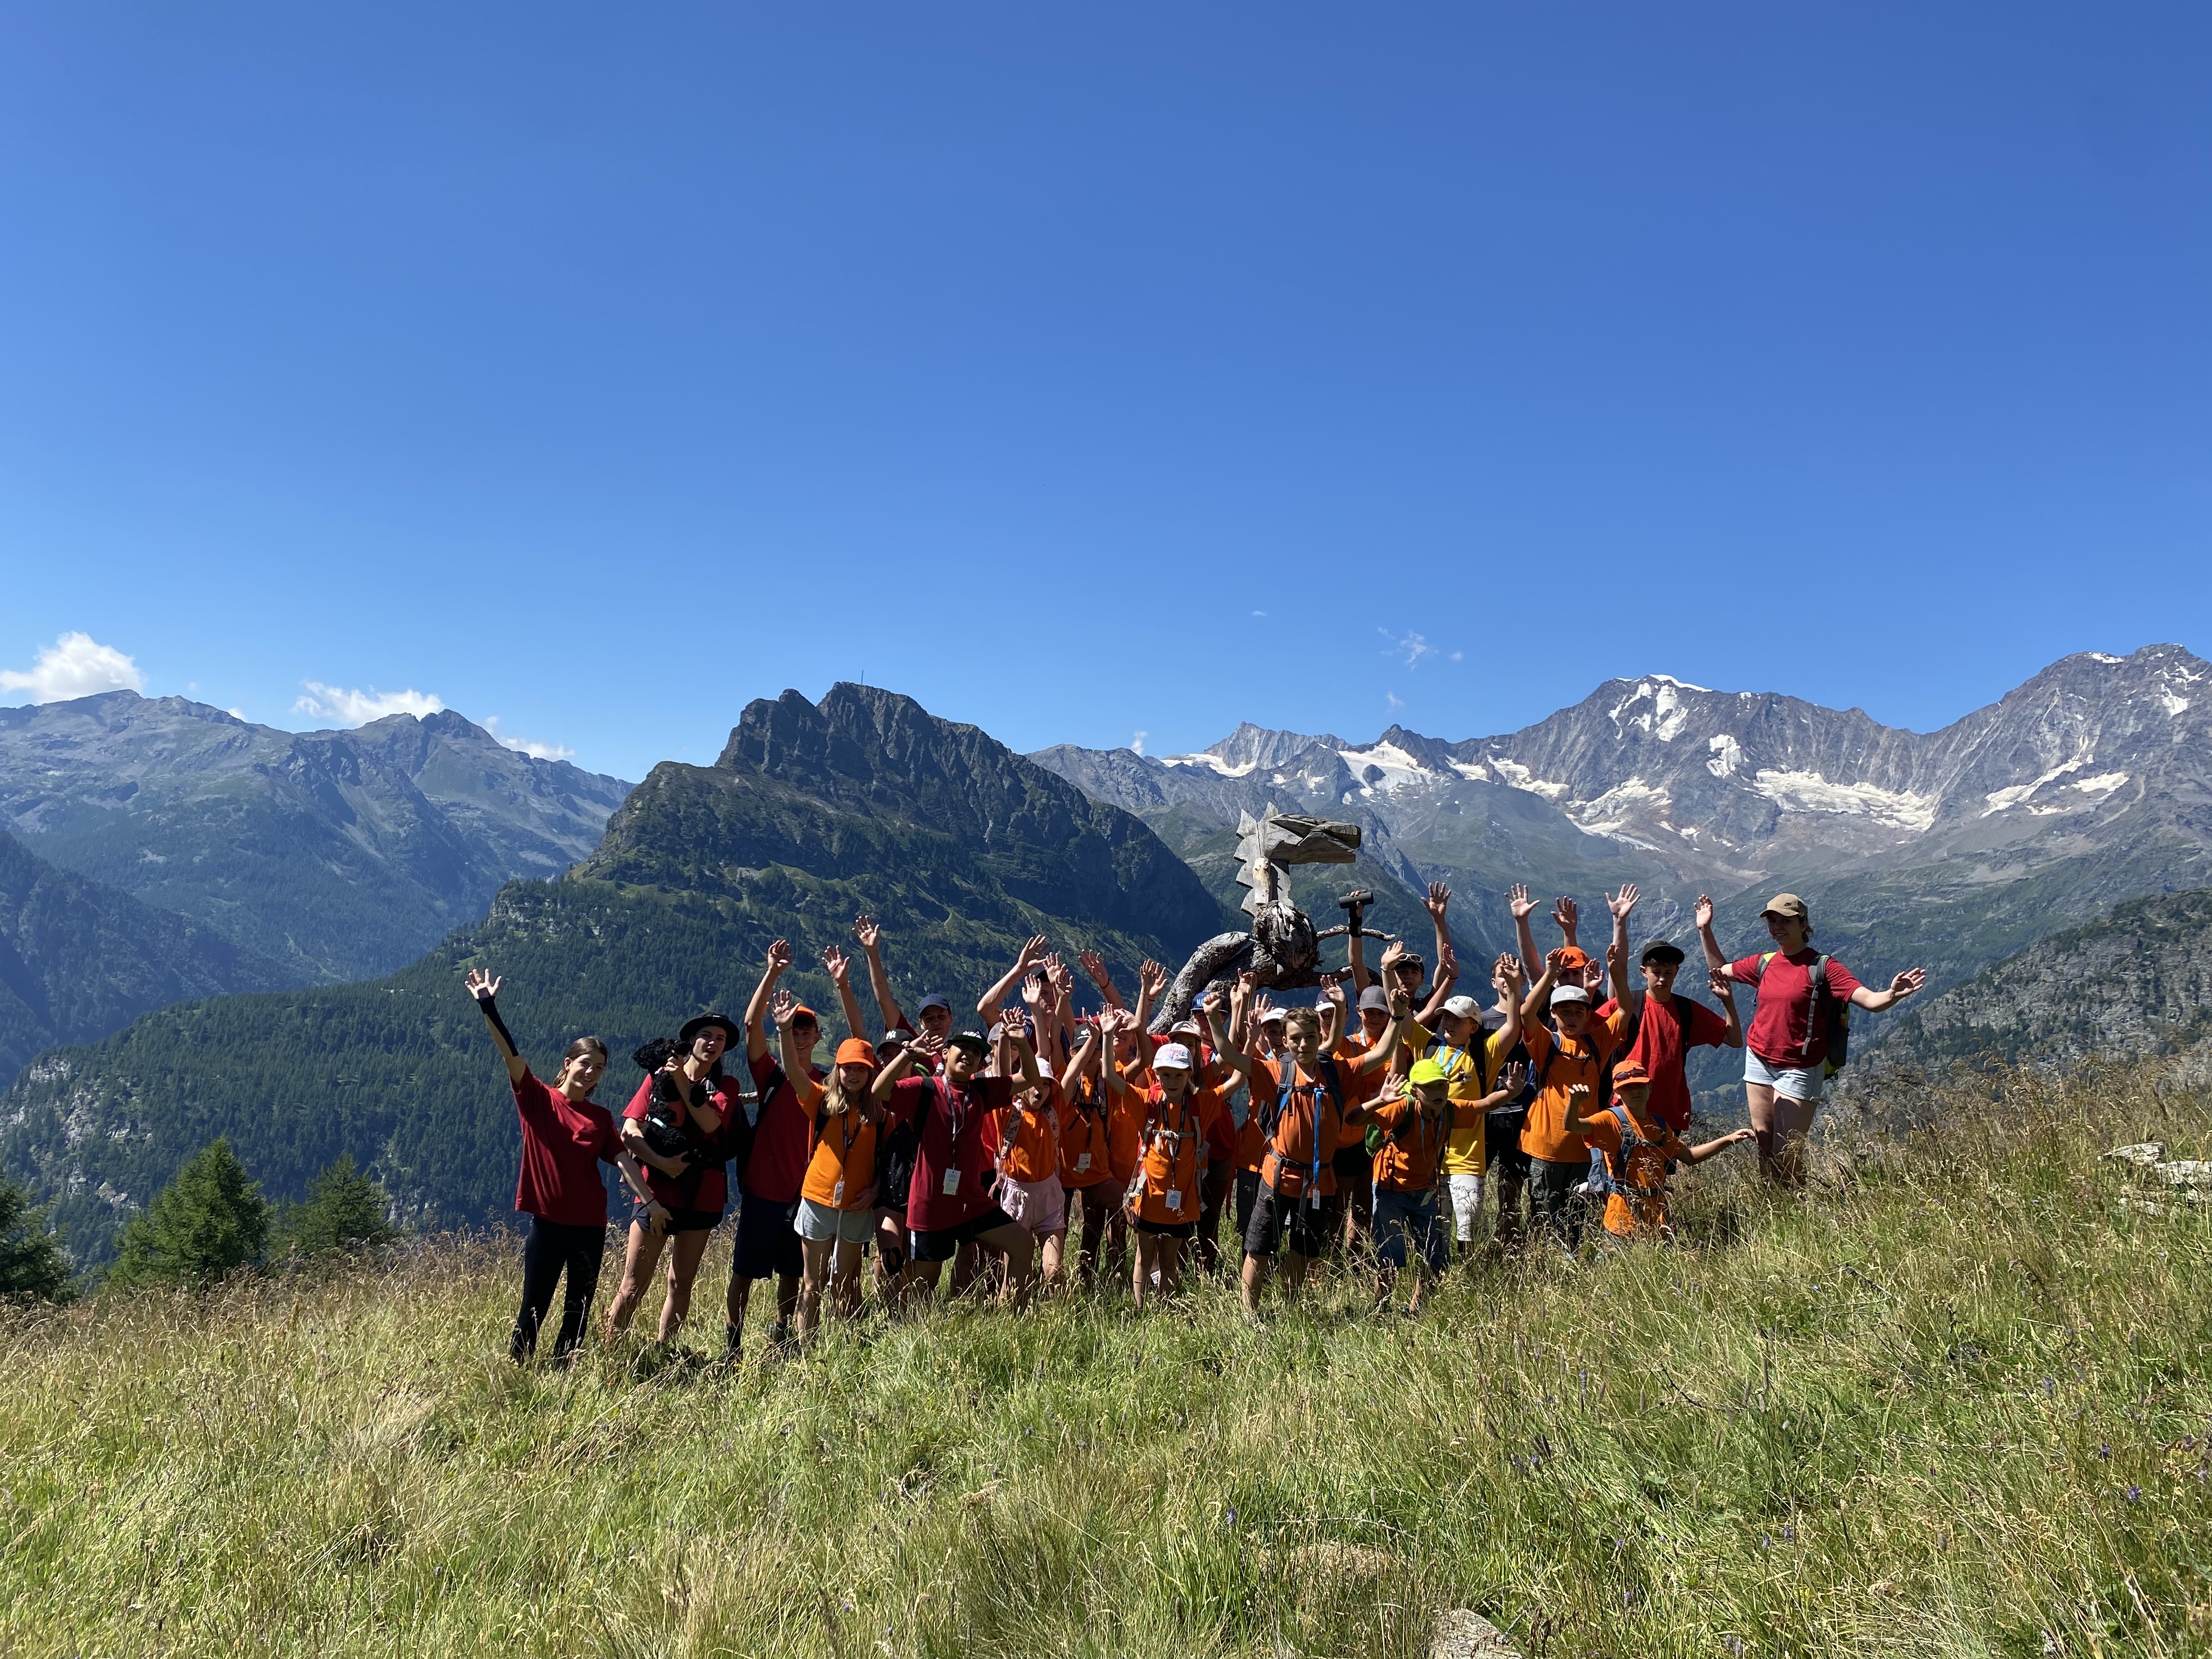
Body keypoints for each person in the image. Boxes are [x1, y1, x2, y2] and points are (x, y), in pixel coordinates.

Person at [464, 969, 662, 1362]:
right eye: (585, 1063)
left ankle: (560, 1382)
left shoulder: (601, 1117)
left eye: (599, 1068)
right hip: (548, 1225)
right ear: (569, 1063)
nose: (591, 1072)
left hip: (590, 1225)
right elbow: (510, 1052)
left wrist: (650, 1201)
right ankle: (518, 1375)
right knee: (532, 1310)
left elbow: (623, 1161)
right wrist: (488, 1005)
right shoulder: (537, 1099)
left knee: (579, 1311)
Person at [1718, 893, 1925, 1184]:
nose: (1777, 927)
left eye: (1786, 921)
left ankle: (1800, 1209)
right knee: (1764, 1146)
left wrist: (1892, 995)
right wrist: (1705, 930)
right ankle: (1773, 1205)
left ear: (1803, 924)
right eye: (1772, 921)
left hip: (1800, 1067)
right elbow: (1719, 972)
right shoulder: (1764, 963)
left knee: (1787, 1153)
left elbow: (1868, 1000)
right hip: (1759, 1060)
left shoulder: (1823, 968)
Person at [730, 939, 868, 1361]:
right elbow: (751, 1028)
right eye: (797, 1027)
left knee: (794, 1272)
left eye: (808, 1028)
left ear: (819, 1035)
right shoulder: (772, 1073)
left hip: (805, 1193)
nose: (803, 1033)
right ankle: (732, 1343)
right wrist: (772, 971)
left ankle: (784, 1334)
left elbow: (861, 1045)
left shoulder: (831, 1084)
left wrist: (844, 987)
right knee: (744, 1273)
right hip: (764, 1188)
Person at [1242, 988, 1409, 1313]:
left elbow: (1383, 1050)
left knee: (1304, 1250)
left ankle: (1289, 1311)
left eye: (1308, 1037)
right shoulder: (1277, 1072)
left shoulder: (1338, 1070)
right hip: (1278, 1177)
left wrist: (1399, 1016)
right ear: (1287, 1043)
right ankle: (1249, 1316)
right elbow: (1232, 1058)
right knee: (1259, 1248)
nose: (1302, 1044)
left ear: (1320, 1036)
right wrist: (1231, 1016)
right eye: (1295, 1039)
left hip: (1319, 1181)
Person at [873, 1012, 1047, 1310]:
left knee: (1022, 1245)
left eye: (976, 1052)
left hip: (970, 1201)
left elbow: (1029, 1079)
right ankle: (910, 1333)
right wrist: (906, 1055)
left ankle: (1015, 1322)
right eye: (962, 1048)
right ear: (945, 1053)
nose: (968, 1055)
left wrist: (1022, 1042)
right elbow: (879, 1091)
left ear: (981, 1064)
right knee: (925, 1281)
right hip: (930, 1205)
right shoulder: (925, 1088)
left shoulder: (981, 1091)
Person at [605, 1011, 741, 1344]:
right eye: (706, 1036)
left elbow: (710, 1124)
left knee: (681, 1283)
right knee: (634, 1284)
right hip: (657, 1192)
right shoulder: (656, 1078)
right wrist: (662, 1163)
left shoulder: (726, 1085)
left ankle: (665, 1350)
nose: (712, 1043)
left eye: (720, 1039)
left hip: (702, 1193)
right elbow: (630, 1130)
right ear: (691, 1041)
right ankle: (610, 1351)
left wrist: (682, 1079)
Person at [1123, 991, 1248, 1307]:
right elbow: (1117, 1074)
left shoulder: (1199, 1102)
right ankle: (1144, 1311)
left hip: (1180, 1193)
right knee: (1146, 1255)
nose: (1172, 1080)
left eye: (1179, 1074)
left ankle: (1165, 1309)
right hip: (1150, 1195)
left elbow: (1235, 1076)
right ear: (1158, 1073)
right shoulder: (1149, 1099)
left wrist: (1244, 1025)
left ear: (1191, 1071)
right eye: (1166, 1074)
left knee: (1170, 1257)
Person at [1402, 955, 1528, 1256]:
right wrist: (1388, 972)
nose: (1449, 1023)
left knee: (1467, 1228)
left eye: (1458, 1019)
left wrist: (1512, 989)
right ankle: (1440, 1276)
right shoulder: (1427, 1044)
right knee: (1437, 1227)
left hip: (1468, 1157)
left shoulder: (1485, 1052)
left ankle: (1467, 1276)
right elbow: (1401, 1019)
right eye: (1447, 1017)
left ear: (1474, 1027)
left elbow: (1513, 1026)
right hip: (1430, 1156)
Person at [1595, 889, 1742, 1136]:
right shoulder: (1629, 1004)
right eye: (1657, 972)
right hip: (1626, 1108)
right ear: (1644, 972)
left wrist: (1728, 1003)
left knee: (1658, 1174)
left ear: (1676, 972)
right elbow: (1589, 1033)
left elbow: (1735, 1040)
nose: (1663, 979)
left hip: (1669, 1112)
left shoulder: (1686, 1010)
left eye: (1669, 973)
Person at [786, 1032, 902, 1343]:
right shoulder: (821, 1100)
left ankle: (839, 1348)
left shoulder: (880, 1113)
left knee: (842, 1281)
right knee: (812, 1283)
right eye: (848, 1068)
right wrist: (785, 1031)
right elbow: (794, 1071)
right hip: (817, 1201)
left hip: (857, 1205)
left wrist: (876, 1190)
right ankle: (806, 1349)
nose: (854, 1075)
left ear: (871, 1073)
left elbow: (888, 1162)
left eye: (861, 1069)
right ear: (837, 1070)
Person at [1516, 948, 1629, 1251]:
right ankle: (1545, 1269)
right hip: (1546, 1146)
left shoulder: (1597, 1042)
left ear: (1588, 1014)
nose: (1571, 1018)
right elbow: (1526, 1013)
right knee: (1544, 1217)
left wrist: (1617, 972)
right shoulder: (1546, 1042)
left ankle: (1573, 1269)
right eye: (1564, 1011)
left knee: (1580, 1219)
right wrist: (1550, 974)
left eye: (1579, 1012)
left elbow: (1624, 1011)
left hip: (1586, 1149)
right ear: (1552, 1014)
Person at [1566, 1059, 1756, 1238]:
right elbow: (1573, 1126)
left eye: (1640, 1085)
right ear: (1617, 1093)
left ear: (1649, 1088)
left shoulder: (1658, 1124)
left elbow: (1689, 1157)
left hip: (1658, 1223)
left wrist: (1730, 1139)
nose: (1635, 1091)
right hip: (1621, 1223)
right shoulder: (1609, 1120)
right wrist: (1574, 1103)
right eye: (1627, 1088)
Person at [1364, 1057, 1455, 1312]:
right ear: (1415, 1091)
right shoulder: (1401, 1109)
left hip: (1425, 1190)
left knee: (1434, 1254)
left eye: (1442, 1086)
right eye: (1430, 1087)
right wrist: (1382, 1100)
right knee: (1389, 1257)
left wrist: (1509, 1092)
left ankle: (1418, 1309)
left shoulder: (1448, 1111)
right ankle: (1381, 1309)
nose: (1437, 1092)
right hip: (1390, 1189)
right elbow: (1354, 1119)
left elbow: (1482, 1106)